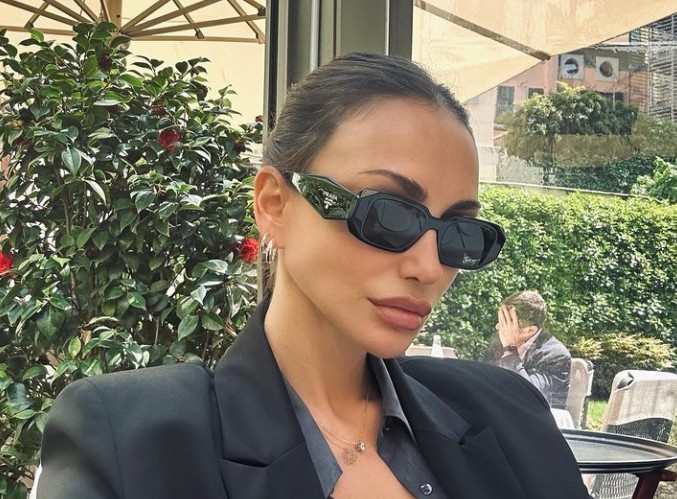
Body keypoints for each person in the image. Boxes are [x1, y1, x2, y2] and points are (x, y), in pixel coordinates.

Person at [36, 53, 590, 499]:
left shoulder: (505, 410)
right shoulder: (133, 438)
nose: (428, 268)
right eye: (386, 214)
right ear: (275, 204)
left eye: (459, 234)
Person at [482, 290, 572, 409]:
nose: (498, 327)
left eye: (506, 323)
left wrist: (509, 350)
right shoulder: (497, 344)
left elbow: (526, 396)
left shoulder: (556, 355)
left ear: (530, 330)